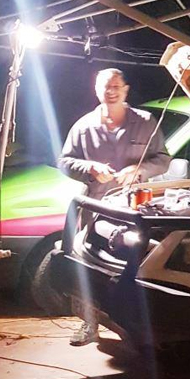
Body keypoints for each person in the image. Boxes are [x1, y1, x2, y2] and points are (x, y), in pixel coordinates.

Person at [58, 68, 171, 346]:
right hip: (96, 208)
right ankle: (89, 323)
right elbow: (65, 162)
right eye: (105, 87)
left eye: (116, 86)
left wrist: (139, 169)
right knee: (90, 266)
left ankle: (133, 325)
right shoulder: (83, 126)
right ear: (96, 90)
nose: (110, 91)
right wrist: (90, 168)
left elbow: (163, 160)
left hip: (136, 210)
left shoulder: (145, 121)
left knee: (134, 266)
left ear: (126, 90)